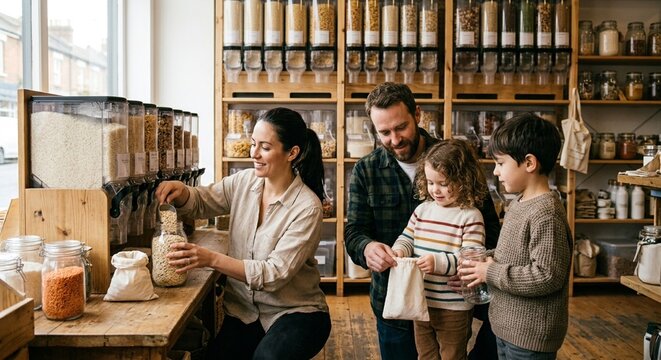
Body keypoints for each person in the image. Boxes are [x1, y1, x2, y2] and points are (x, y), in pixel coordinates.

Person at [155, 107, 331, 360]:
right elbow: (204, 201)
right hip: (244, 312)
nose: (254, 154)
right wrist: (182, 191)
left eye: (265, 147)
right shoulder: (244, 182)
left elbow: (273, 274)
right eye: (252, 144)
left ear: (292, 153)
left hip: (295, 312)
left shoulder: (306, 206)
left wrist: (211, 259)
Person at [344, 82, 501, 360]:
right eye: (384, 132)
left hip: (453, 300)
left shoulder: (455, 160)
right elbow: (355, 232)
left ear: (417, 114)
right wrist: (368, 249)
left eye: (401, 127)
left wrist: (471, 267)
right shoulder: (365, 170)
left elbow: (490, 230)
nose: (394, 139)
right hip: (394, 298)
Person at [459, 113, 572, 359]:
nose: (496, 172)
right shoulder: (520, 202)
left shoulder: (546, 213)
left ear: (529, 163)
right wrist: (482, 261)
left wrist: (490, 272)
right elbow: (512, 255)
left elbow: (547, 275)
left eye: (500, 163)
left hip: (530, 336)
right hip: (507, 328)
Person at [391, 139, 487, 360]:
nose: (436, 190)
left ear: (464, 180)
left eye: (443, 183)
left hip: (454, 305)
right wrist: (399, 251)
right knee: (425, 354)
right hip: (421, 300)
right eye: (431, 182)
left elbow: (471, 260)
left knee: (452, 355)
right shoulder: (422, 210)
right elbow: (408, 238)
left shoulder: (470, 216)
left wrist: (438, 263)